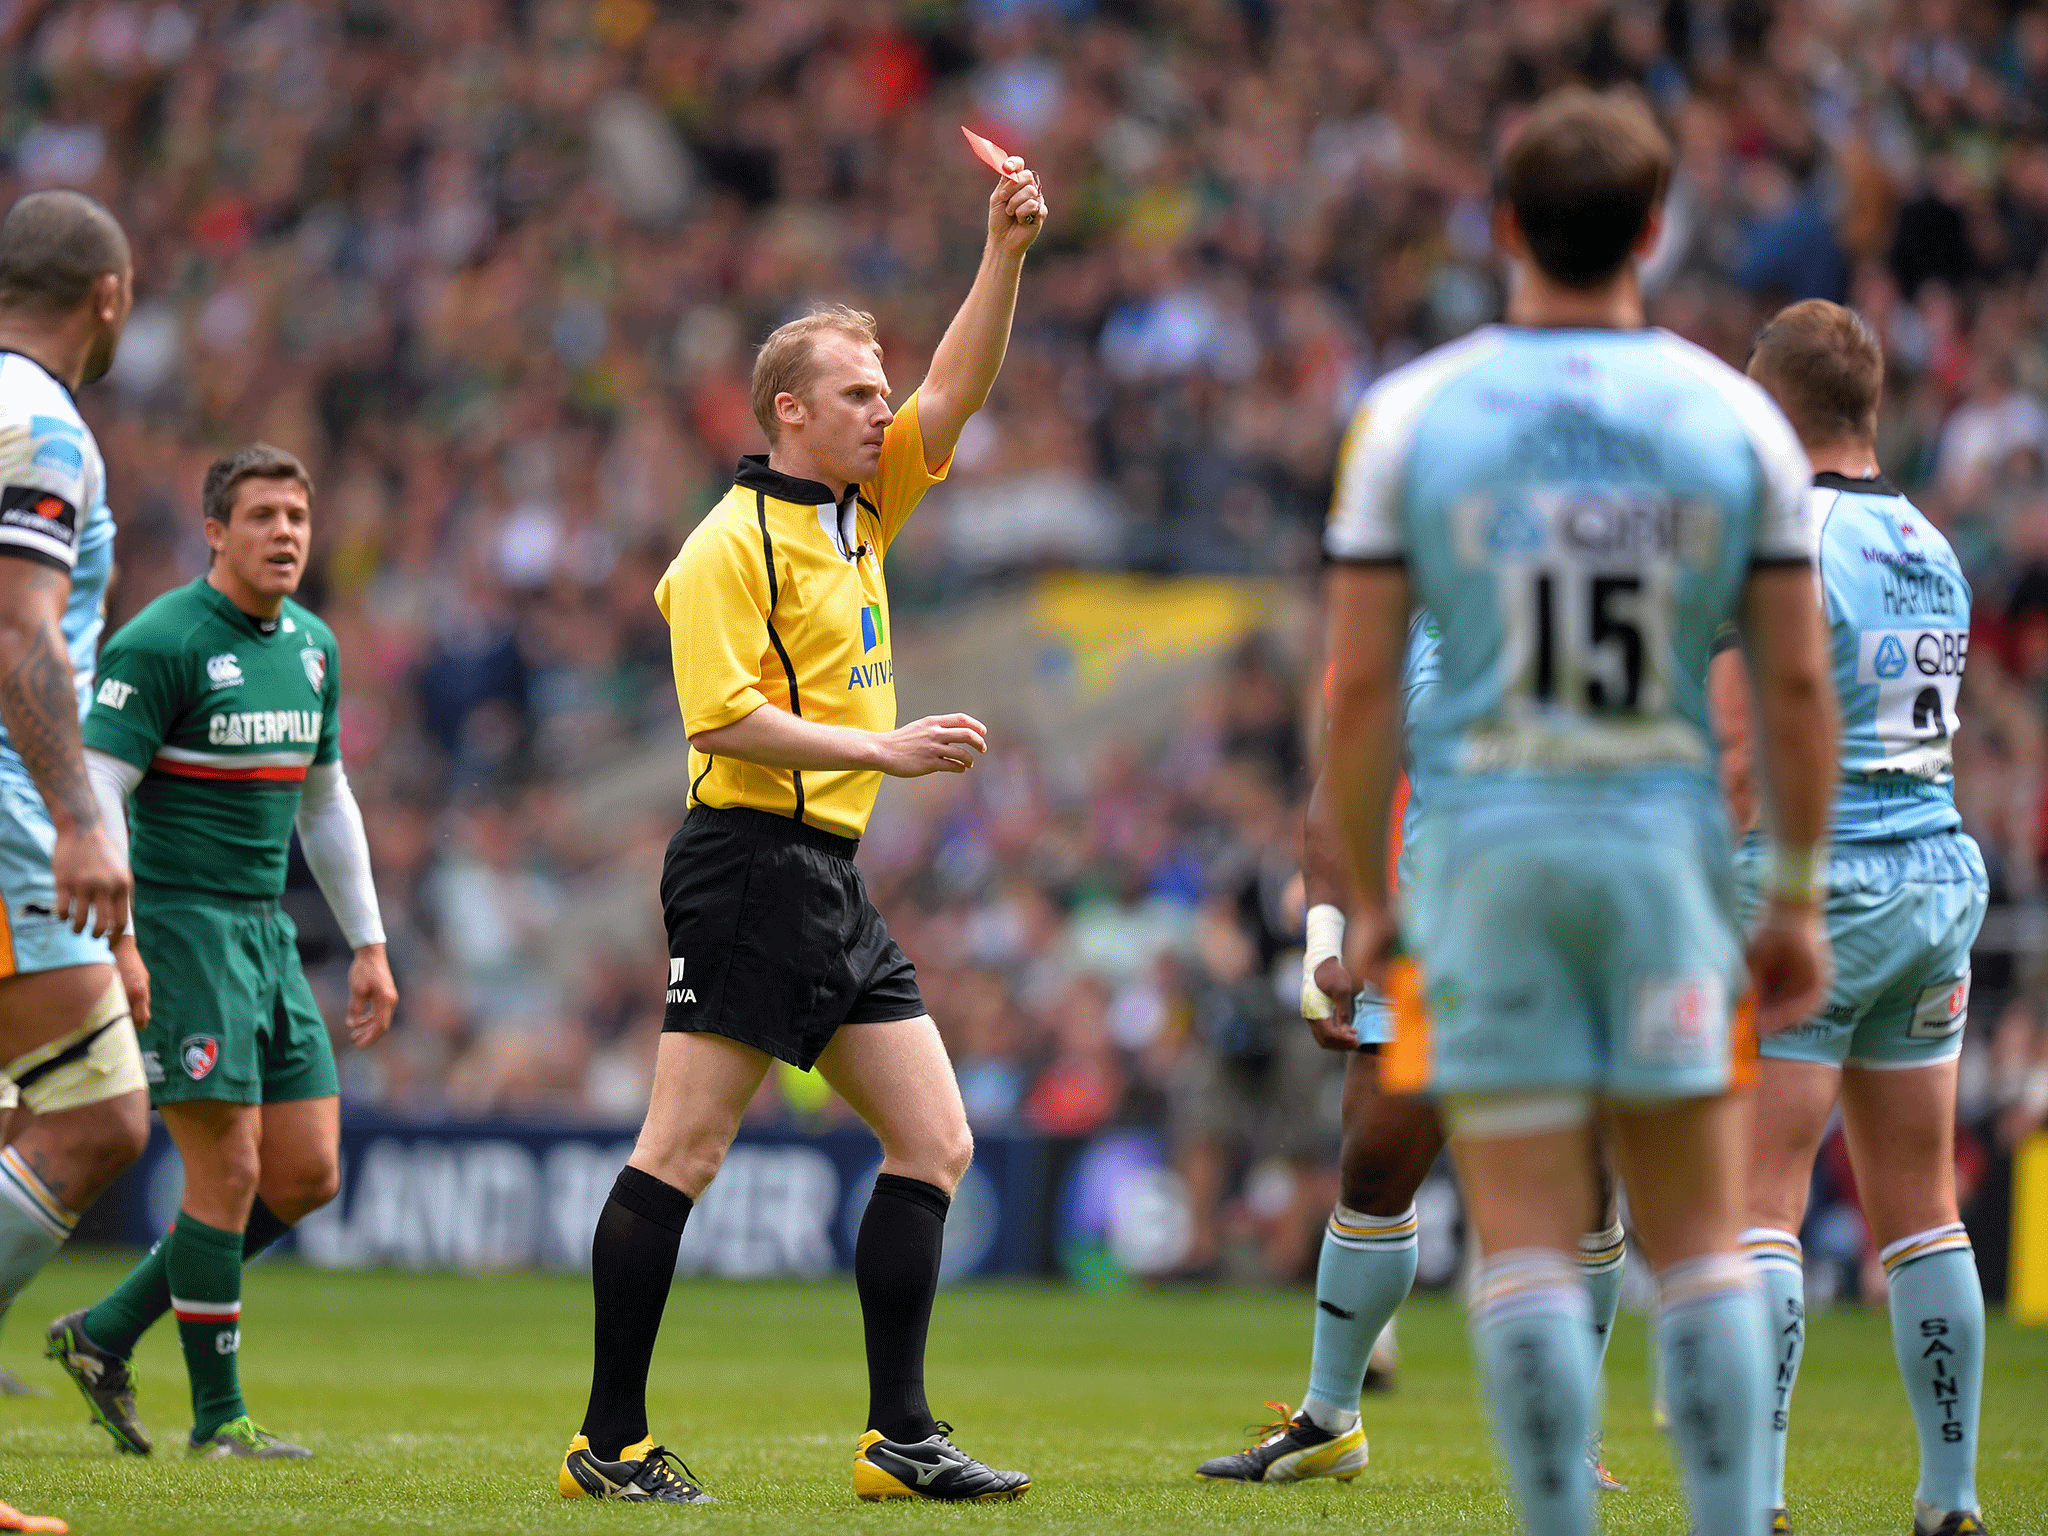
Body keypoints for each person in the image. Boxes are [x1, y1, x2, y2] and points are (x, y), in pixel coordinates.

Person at [1322, 88, 1839, 1536]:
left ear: (1501, 227)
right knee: (1696, 1242)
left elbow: (1362, 699)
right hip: (1660, 848)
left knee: (1527, 1241)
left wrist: (1367, 899)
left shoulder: (1413, 414)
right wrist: (1792, 893)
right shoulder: (1735, 418)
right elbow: (1796, 693)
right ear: (1657, 232)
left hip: (1487, 854)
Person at [557, 152, 1047, 1506]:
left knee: (935, 1139)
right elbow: (718, 722)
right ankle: (610, 1444)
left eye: (879, 391)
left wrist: (1003, 250)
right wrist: (883, 748)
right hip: (748, 863)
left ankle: (901, 1437)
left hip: (826, 874)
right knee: (684, 1152)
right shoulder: (729, 546)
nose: (885, 408)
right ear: (789, 411)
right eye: (856, 393)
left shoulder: (854, 512)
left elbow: (957, 387)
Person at [1195, 621, 1630, 1493]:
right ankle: (1328, 1421)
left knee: (1581, 1187)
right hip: (1435, 945)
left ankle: (1572, 1440)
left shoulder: (1603, 591)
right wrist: (1325, 936)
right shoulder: (1412, 623)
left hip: (1571, 938)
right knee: (1375, 1167)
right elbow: (1341, 787)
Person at [47, 444, 397, 1459]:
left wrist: (369, 944)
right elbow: (98, 793)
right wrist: (120, 938)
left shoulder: (315, 648)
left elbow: (326, 803)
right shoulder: (160, 643)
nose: (285, 532)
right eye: (261, 516)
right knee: (228, 1167)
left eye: (297, 514)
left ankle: (105, 1332)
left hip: (266, 930)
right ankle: (220, 1420)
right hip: (179, 922)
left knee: (309, 1172)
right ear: (215, 531)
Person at [1717, 300, 1990, 1536]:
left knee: (1760, 1201)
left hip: (1814, 886)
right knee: (1919, 1206)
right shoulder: (1933, 542)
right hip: (1934, 878)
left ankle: (1758, 1502)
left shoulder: (1779, 538)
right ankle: (1948, 1498)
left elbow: (1733, 751)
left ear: (1774, 408)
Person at [0, 189, 151, 1366]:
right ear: (109, 297)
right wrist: (76, 822)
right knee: (96, 1117)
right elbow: (20, 631)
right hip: (10, 817)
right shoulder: (42, 428)